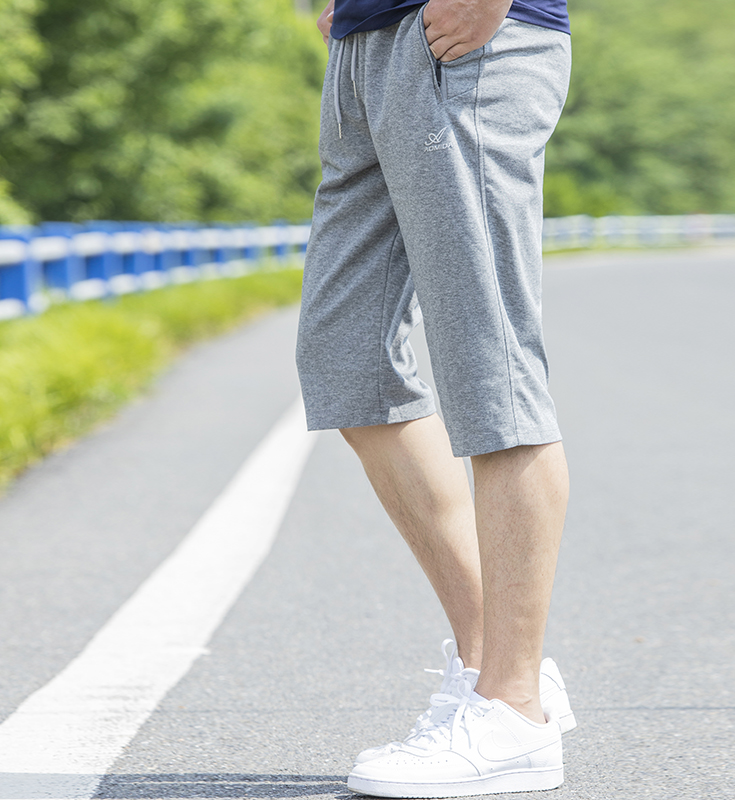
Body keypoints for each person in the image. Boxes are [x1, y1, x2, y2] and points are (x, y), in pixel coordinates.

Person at [295, 0, 574, 795]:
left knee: (492, 370)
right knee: (345, 364)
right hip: (363, 48)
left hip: (464, 37)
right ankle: (494, 666)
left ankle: (513, 712)